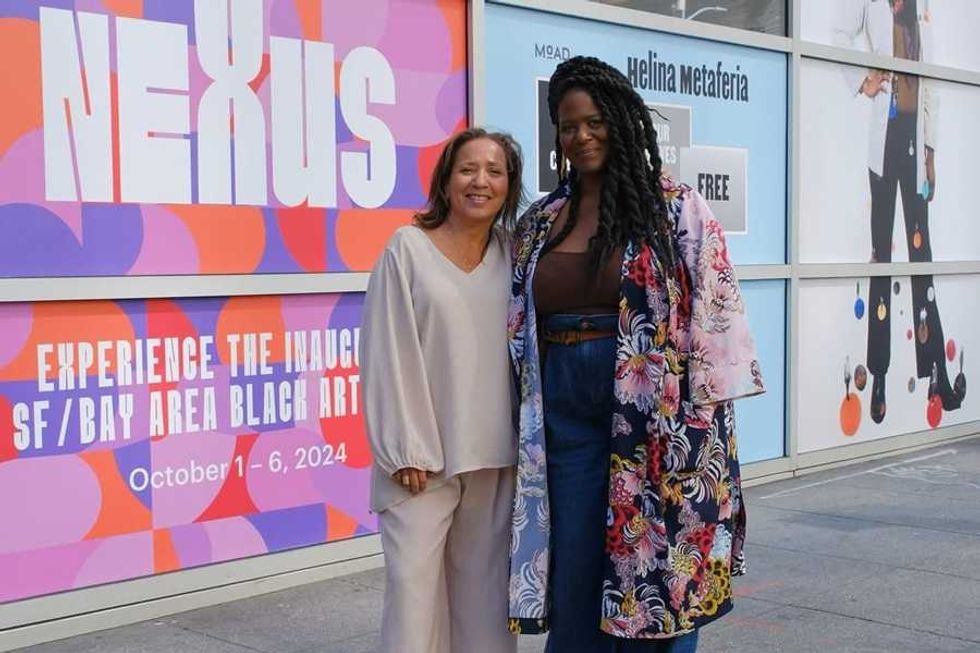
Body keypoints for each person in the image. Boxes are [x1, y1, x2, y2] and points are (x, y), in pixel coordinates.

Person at [506, 56, 765, 652]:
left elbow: (718, 313)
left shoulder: (675, 209)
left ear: (621, 122)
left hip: (659, 417)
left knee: (656, 559)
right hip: (563, 411)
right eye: (569, 126)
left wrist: (703, 431)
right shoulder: (539, 223)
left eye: (595, 121)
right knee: (574, 563)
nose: (582, 135)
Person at [360, 127, 524, 653]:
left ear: (509, 185)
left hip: (494, 456)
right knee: (413, 602)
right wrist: (405, 447)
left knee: (484, 604)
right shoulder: (407, 249)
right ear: (447, 180)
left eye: (494, 171)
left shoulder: (512, 254)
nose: (481, 181)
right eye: (468, 169)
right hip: (421, 463)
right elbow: (388, 350)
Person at [834, 0, 965, 422]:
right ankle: (880, 377)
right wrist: (862, 80)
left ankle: (936, 373)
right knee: (882, 262)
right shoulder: (869, 3)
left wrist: (931, 151)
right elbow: (838, 34)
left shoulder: (922, 11)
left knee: (920, 257)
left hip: (913, 143)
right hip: (884, 145)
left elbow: (934, 84)